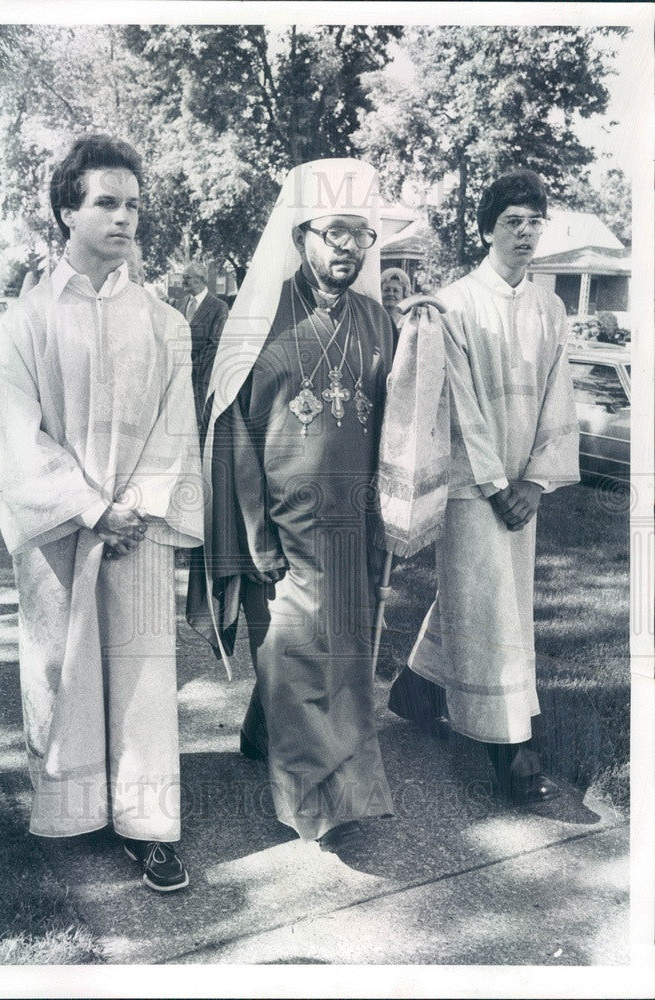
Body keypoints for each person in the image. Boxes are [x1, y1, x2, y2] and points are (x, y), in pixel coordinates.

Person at [0, 134, 203, 892]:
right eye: (106, 203)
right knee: (67, 669)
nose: (124, 218)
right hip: (64, 530)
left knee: (142, 678)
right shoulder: (25, 323)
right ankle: (75, 811)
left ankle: (149, 828)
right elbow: (19, 437)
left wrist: (136, 508)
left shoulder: (163, 321)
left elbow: (175, 426)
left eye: (133, 205)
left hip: (136, 530)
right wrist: (89, 508)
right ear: (66, 212)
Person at [188, 159, 397, 851]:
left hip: (352, 525)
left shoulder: (377, 321)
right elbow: (233, 433)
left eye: (359, 236)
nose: (346, 248)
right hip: (280, 528)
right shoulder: (256, 320)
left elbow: (402, 417)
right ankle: (320, 807)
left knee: (337, 663)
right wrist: (256, 536)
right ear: (302, 233)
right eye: (334, 232)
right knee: (301, 662)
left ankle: (260, 735)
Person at [388, 169, 580, 804]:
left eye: (534, 221)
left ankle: (416, 690)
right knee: (493, 611)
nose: (524, 233)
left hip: (522, 484)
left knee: (493, 600)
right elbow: (461, 403)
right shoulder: (457, 304)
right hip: (474, 487)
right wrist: (498, 483)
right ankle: (506, 750)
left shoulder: (550, 308)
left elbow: (558, 400)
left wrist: (534, 481)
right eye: (511, 223)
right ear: (486, 230)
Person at [172, 262, 229, 424]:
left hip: (202, 377)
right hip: (177, 375)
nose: (183, 282)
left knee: (197, 423)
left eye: (187, 278)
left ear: (201, 280)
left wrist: (190, 366)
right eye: (183, 277)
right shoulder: (178, 304)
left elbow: (215, 344)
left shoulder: (219, 307)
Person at [379, 266, 412, 347]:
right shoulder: (374, 319)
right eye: (386, 290)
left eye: (396, 291)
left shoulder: (408, 322)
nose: (391, 294)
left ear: (404, 294)